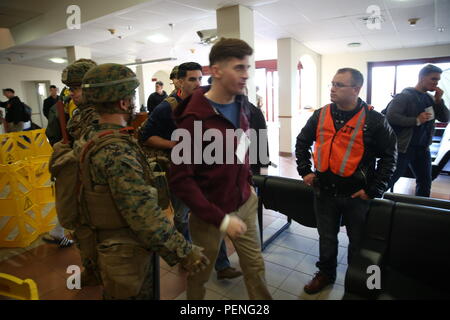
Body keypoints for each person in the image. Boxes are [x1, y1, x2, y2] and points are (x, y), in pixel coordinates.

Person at [75, 63, 209, 300]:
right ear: (124, 103)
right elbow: (143, 213)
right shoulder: (117, 151)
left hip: (104, 244)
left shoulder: (90, 135)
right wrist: (186, 252)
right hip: (125, 251)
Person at [169, 38, 272, 300]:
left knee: (255, 266)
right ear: (216, 71)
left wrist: (247, 180)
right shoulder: (192, 119)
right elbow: (181, 181)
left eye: (247, 67)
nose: (246, 74)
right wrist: (222, 219)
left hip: (244, 202)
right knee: (199, 272)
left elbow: (243, 146)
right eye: (239, 67)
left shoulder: (242, 105)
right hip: (208, 213)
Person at [295, 67, 397, 294]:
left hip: (357, 196)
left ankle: (356, 278)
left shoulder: (375, 120)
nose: (333, 88)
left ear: (356, 89)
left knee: (358, 241)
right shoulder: (320, 114)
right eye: (332, 83)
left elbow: (390, 157)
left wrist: (374, 190)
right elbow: (302, 142)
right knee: (327, 237)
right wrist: (305, 171)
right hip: (324, 192)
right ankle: (325, 273)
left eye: (339, 85)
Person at [139, 62, 242, 281]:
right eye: (191, 79)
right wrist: (174, 145)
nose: (198, 84)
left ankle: (222, 265)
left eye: (199, 79)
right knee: (183, 216)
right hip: (180, 172)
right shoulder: (166, 107)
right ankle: (189, 256)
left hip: (207, 169)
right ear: (179, 81)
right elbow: (145, 136)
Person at [386, 64, 449, 197]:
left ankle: (421, 210)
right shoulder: (404, 96)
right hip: (404, 148)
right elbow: (391, 117)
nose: (436, 83)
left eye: (437, 80)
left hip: (423, 149)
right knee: (389, 180)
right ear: (422, 78)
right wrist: (416, 120)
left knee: (425, 182)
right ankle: (373, 205)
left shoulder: (430, 99)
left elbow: (445, 118)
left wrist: (439, 101)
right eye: (433, 79)